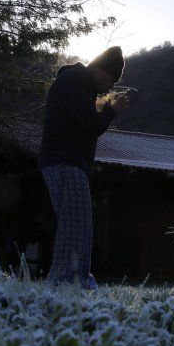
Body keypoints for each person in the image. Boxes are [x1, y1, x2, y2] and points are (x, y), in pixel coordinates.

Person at [39, 46, 130, 289]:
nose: (109, 88)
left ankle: (66, 278)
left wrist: (105, 110)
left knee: (73, 222)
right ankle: (71, 279)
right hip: (66, 160)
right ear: (102, 71)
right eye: (111, 81)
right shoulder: (76, 79)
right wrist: (111, 111)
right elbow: (89, 122)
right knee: (77, 223)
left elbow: (87, 123)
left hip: (62, 160)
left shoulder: (77, 84)